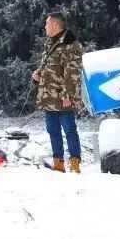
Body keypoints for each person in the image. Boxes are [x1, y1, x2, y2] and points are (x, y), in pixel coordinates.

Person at [33, 12, 84, 173]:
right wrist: (37, 74)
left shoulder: (70, 43)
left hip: (63, 96)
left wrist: (67, 94)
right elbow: (47, 65)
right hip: (49, 96)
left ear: (55, 25)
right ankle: (58, 163)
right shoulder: (50, 43)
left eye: (47, 24)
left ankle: (75, 164)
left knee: (69, 129)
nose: (45, 27)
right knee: (53, 130)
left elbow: (73, 71)